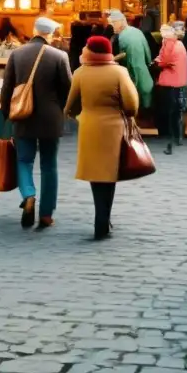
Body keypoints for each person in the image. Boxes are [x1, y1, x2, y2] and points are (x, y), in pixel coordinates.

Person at [0, 17, 72, 230]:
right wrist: (63, 112)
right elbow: (68, 88)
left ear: (34, 30)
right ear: (51, 34)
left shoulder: (17, 54)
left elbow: (7, 88)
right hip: (51, 118)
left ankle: (29, 195)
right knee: (49, 165)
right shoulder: (59, 56)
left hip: (23, 115)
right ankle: (46, 215)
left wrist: (7, 113)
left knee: (24, 160)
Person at [67, 36, 140, 240]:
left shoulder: (80, 73)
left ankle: (101, 217)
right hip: (114, 128)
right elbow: (132, 104)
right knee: (109, 174)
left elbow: (70, 106)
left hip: (90, 128)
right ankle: (104, 217)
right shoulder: (119, 72)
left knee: (96, 174)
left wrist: (81, 116)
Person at [108, 10, 154, 110]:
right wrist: (149, 62)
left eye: (113, 23)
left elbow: (123, 55)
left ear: (119, 22)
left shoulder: (121, 37)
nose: (112, 26)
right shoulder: (137, 32)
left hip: (130, 71)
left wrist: (111, 60)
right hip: (143, 71)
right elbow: (147, 51)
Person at [154, 24, 187, 155]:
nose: (162, 32)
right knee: (177, 110)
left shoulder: (169, 43)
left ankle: (170, 137)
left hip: (170, 81)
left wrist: (156, 62)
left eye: (164, 30)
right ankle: (177, 136)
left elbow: (164, 61)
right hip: (179, 80)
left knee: (170, 110)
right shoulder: (180, 44)